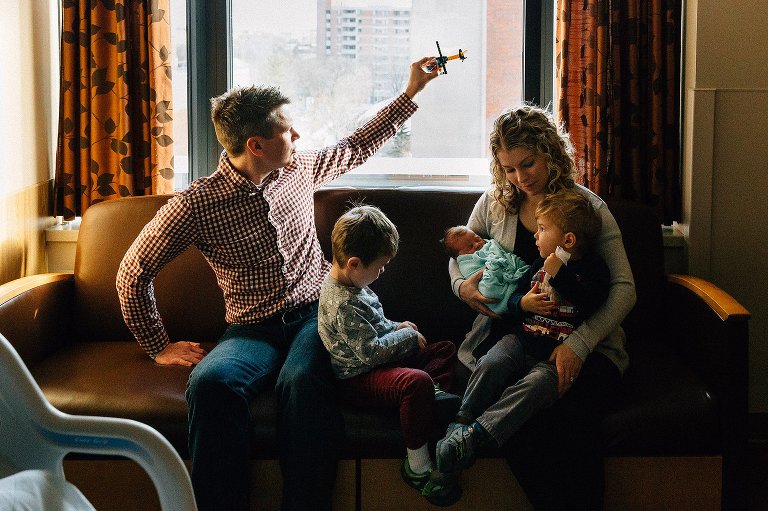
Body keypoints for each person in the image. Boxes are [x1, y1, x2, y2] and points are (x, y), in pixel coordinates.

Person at [116, 57, 440, 511]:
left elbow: (356, 145)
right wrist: (157, 345)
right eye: (288, 130)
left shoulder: (299, 169)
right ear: (257, 144)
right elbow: (133, 272)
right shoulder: (196, 204)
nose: (298, 137)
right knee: (210, 384)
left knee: (303, 382)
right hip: (250, 330)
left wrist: (410, 94)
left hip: (315, 316)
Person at [447, 104, 636, 510]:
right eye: (509, 169)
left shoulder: (585, 209)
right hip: (516, 338)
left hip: (587, 343)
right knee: (519, 423)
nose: (520, 178)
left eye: (528, 163)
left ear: (550, 151)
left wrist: (579, 345)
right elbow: (460, 249)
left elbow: (623, 290)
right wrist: (462, 287)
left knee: (571, 419)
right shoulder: (497, 204)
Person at [437, 189, 611, 475]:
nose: (535, 235)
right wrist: (523, 302)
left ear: (568, 240)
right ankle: (461, 419)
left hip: (554, 355)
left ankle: (478, 433)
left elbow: (591, 303)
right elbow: (515, 297)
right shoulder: (537, 264)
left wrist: (560, 273)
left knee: (537, 387)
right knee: (491, 361)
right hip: (522, 338)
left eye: (542, 230)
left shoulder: (593, 269)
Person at [318, 204, 461, 506]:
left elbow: (375, 325)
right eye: (380, 266)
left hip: (378, 358)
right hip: (359, 377)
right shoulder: (343, 303)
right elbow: (369, 353)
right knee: (416, 381)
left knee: (444, 348)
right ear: (354, 263)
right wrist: (405, 336)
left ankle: (431, 398)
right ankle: (417, 466)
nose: (382, 272)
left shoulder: (354, 284)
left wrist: (397, 326)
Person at [441, 225, 529, 315]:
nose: (477, 244)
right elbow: (483, 289)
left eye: (477, 239)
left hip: (517, 274)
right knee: (488, 291)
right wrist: (493, 267)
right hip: (496, 288)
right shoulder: (466, 263)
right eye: (470, 247)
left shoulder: (489, 245)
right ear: (459, 256)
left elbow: (504, 255)